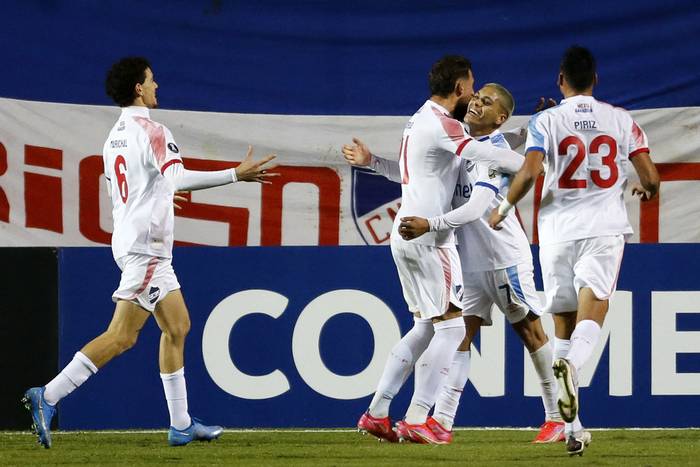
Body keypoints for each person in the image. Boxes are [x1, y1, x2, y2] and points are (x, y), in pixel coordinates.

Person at [23, 57, 277, 448]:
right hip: (147, 249)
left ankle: (181, 424)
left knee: (177, 327)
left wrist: (159, 198)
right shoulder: (153, 129)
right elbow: (174, 175)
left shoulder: (113, 137)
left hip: (134, 240)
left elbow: (123, 190)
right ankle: (50, 394)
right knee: (122, 336)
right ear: (139, 88)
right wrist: (234, 174)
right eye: (152, 80)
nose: (157, 85)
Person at [353, 84, 564, 444]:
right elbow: (415, 176)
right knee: (458, 338)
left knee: (531, 334)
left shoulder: (493, 154)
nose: (476, 103)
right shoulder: (458, 139)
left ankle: (557, 417)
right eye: (477, 97)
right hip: (466, 260)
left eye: (487, 102)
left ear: (499, 117)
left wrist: (431, 224)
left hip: (503, 258)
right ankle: (440, 422)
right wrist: (371, 161)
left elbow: (478, 207)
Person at [489, 46, 659, 456]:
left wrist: (504, 208)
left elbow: (530, 170)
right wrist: (647, 189)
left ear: (560, 80)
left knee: (563, 329)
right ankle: (572, 370)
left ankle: (573, 429)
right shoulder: (621, 120)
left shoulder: (547, 120)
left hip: (555, 232)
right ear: (595, 80)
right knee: (593, 312)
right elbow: (650, 177)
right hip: (602, 230)